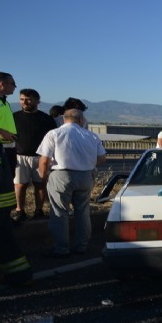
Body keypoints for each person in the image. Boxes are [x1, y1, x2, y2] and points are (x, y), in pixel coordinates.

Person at [37, 108, 107, 258]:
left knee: (59, 213)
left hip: (61, 175)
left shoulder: (54, 134)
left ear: (64, 119)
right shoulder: (91, 136)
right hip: (85, 176)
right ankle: (82, 245)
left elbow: (44, 160)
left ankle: (62, 247)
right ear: (81, 120)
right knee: (82, 212)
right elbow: (102, 159)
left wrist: (44, 176)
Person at [0, 71, 33, 286]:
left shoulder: (2, 102)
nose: (15, 86)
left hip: (4, 152)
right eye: (12, 83)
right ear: (0, 84)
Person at [12, 88, 57, 222]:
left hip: (41, 157)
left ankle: (39, 210)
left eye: (28, 99)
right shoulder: (14, 117)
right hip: (20, 157)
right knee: (20, 185)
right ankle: (20, 210)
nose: (24, 102)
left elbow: (53, 138)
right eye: (21, 99)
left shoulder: (46, 119)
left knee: (40, 185)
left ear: (37, 101)